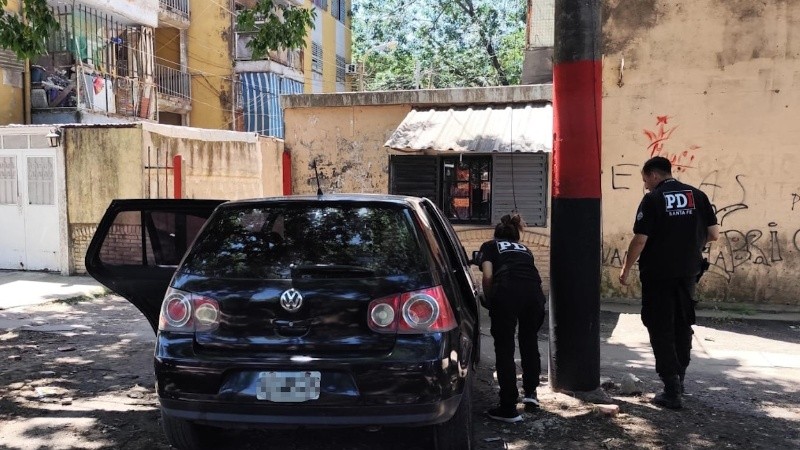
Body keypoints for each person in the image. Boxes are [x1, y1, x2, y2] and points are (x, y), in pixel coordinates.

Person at [619, 156, 720, 409]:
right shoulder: (698, 196)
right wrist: (687, 246)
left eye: (645, 180)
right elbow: (713, 234)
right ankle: (680, 381)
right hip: (688, 273)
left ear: (654, 175)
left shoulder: (653, 199)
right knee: (682, 326)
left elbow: (640, 239)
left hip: (658, 275)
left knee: (660, 327)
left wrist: (626, 268)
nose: (645, 185)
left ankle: (671, 390)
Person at [479, 214, 546, 423]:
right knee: (529, 342)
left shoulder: (490, 246)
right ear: (516, 235)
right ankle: (531, 393)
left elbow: (488, 275)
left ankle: (508, 407)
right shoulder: (525, 249)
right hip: (534, 295)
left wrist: (489, 299)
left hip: (506, 292)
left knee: (505, 347)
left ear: (496, 234)